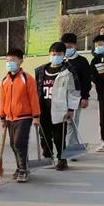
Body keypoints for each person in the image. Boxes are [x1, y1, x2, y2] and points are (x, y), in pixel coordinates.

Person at [35, 42, 81, 170]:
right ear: (49, 54)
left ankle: (62, 159)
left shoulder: (68, 72)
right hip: (43, 109)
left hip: (60, 110)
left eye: (59, 54)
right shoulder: (40, 71)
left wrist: (71, 109)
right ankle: (48, 158)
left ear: (64, 55)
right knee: (44, 136)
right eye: (53, 54)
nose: (56, 57)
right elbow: (35, 91)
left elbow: (74, 92)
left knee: (59, 137)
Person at [0, 48, 41, 182]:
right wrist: (2, 116)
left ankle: (23, 169)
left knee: (19, 142)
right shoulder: (5, 80)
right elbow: (3, 100)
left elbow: (34, 98)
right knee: (12, 144)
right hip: (10, 118)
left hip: (24, 116)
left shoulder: (27, 79)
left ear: (20, 61)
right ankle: (21, 167)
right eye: (7, 61)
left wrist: (36, 116)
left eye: (12, 60)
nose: (9, 63)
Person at [61, 33, 92, 151]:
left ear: (75, 45)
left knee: (72, 123)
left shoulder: (82, 61)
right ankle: (68, 147)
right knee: (62, 123)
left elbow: (86, 81)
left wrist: (85, 97)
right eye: (65, 47)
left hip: (76, 98)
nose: (67, 49)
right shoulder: (60, 60)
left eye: (69, 47)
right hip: (61, 98)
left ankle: (71, 149)